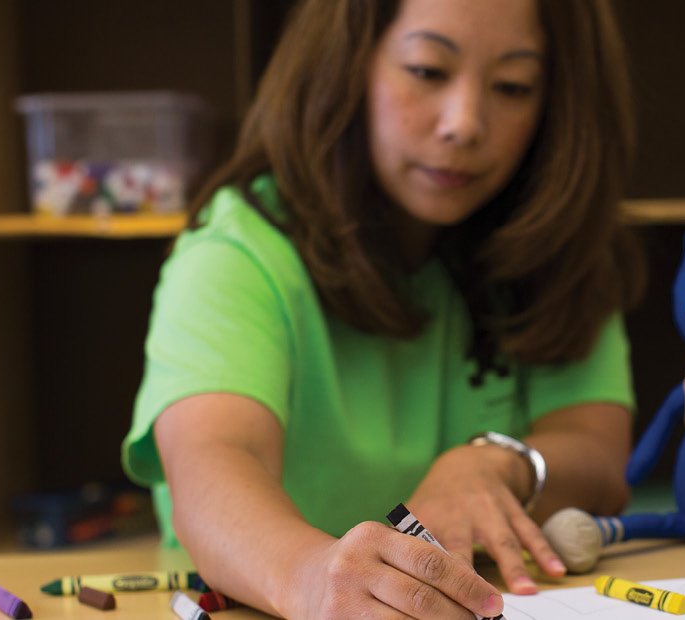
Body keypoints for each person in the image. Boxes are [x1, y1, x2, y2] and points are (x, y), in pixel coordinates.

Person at [120, 0, 645, 617]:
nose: (464, 123)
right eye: (426, 70)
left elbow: (600, 456)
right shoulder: (238, 250)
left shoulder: (556, 247)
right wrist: (312, 577)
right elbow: (212, 471)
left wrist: (501, 464)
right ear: (345, 68)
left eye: (513, 86)